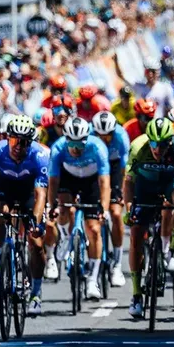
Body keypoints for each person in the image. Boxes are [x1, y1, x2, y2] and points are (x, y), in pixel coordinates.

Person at [123, 118, 174, 319]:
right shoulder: (138, 148)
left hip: (170, 185)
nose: (157, 149)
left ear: (170, 142)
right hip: (145, 187)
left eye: (161, 145)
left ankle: (172, 249)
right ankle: (136, 294)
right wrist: (128, 209)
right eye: (153, 143)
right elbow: (128, 182)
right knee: (136, 235)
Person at [0, 115, 50, 315]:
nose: (18, 146)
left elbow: (41, 193)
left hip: (28, 193)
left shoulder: (39, 155)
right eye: (14, 140)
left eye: (23, 142)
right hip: (4, 189)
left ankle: (35, 292)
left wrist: (37, 221)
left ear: (30, 142)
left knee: (37, 243)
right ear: (8, 139)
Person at [48, 117, 111, 302]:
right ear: (66, 138)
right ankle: (65, 237)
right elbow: (53, 181)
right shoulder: (58, 148)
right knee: (63, 206)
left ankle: (93, 280)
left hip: (91, 181)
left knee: (93, 229)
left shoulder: (98, 147)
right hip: (68, 177)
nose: (75, 149)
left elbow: (104, 181)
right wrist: (52, 206)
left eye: (80, 144)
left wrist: (104, 208)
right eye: (72, 144)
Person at [92, 110, 130, 286]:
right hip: (96, 168)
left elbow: (123, 170)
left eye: (108, 135)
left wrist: (121, 194)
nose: (105, 139)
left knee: (116, 213)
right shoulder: (90, 137)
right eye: (101, 135)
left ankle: (116, 263)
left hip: (115, 169)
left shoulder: (121, 137)